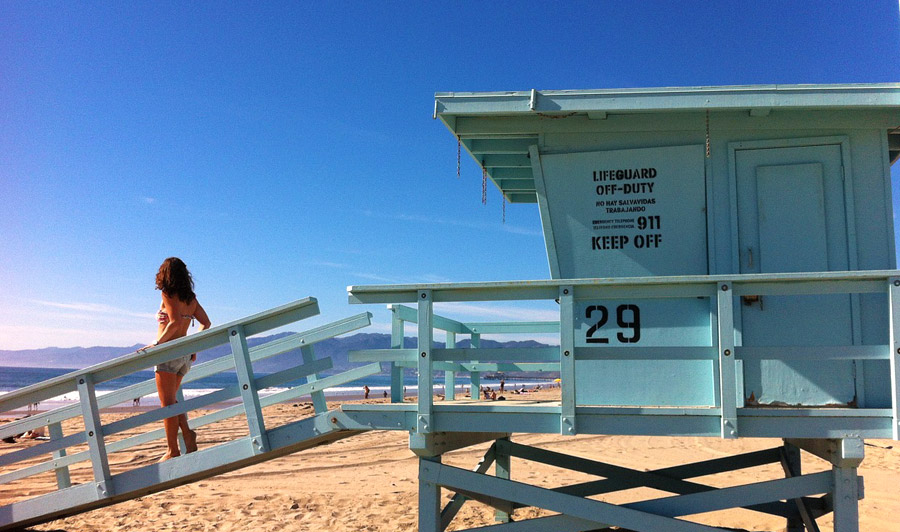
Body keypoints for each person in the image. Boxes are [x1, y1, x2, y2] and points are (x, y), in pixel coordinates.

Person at [139, 257, 211, 462]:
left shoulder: (168, 293)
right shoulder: (190, 298)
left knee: (167, 404)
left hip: (169, 353)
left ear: (165, 274)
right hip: (184, 355)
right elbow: (206, 323)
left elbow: (174, 323)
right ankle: (187, 434)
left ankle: (172, 450)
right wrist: (193, 346)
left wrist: (156, 344)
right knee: (172, 400)